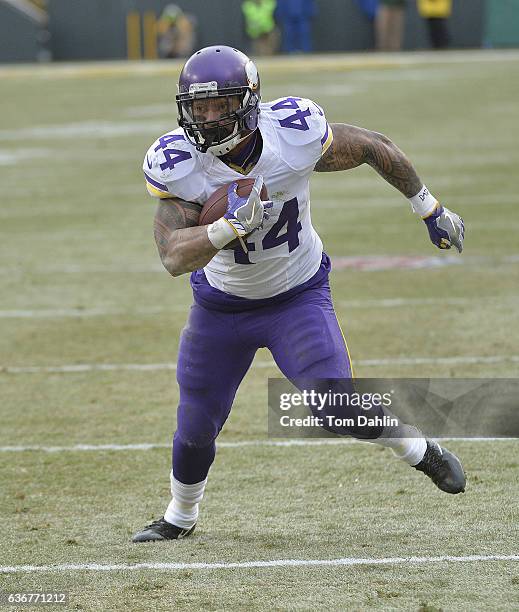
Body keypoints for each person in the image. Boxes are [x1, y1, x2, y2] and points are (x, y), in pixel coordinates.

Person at [133, 45, 466, 542]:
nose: (207, 118)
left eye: (219, 105)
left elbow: (374, 146)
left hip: (296, 295)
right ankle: (180, 517)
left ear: (248, 101)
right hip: (221, 306)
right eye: (197, 107)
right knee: (196, 421)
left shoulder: (291, 136)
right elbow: (172, 256)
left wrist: (429, 208)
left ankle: (419, 449)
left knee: (335, 404)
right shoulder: (182, 165)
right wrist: (225, 229)